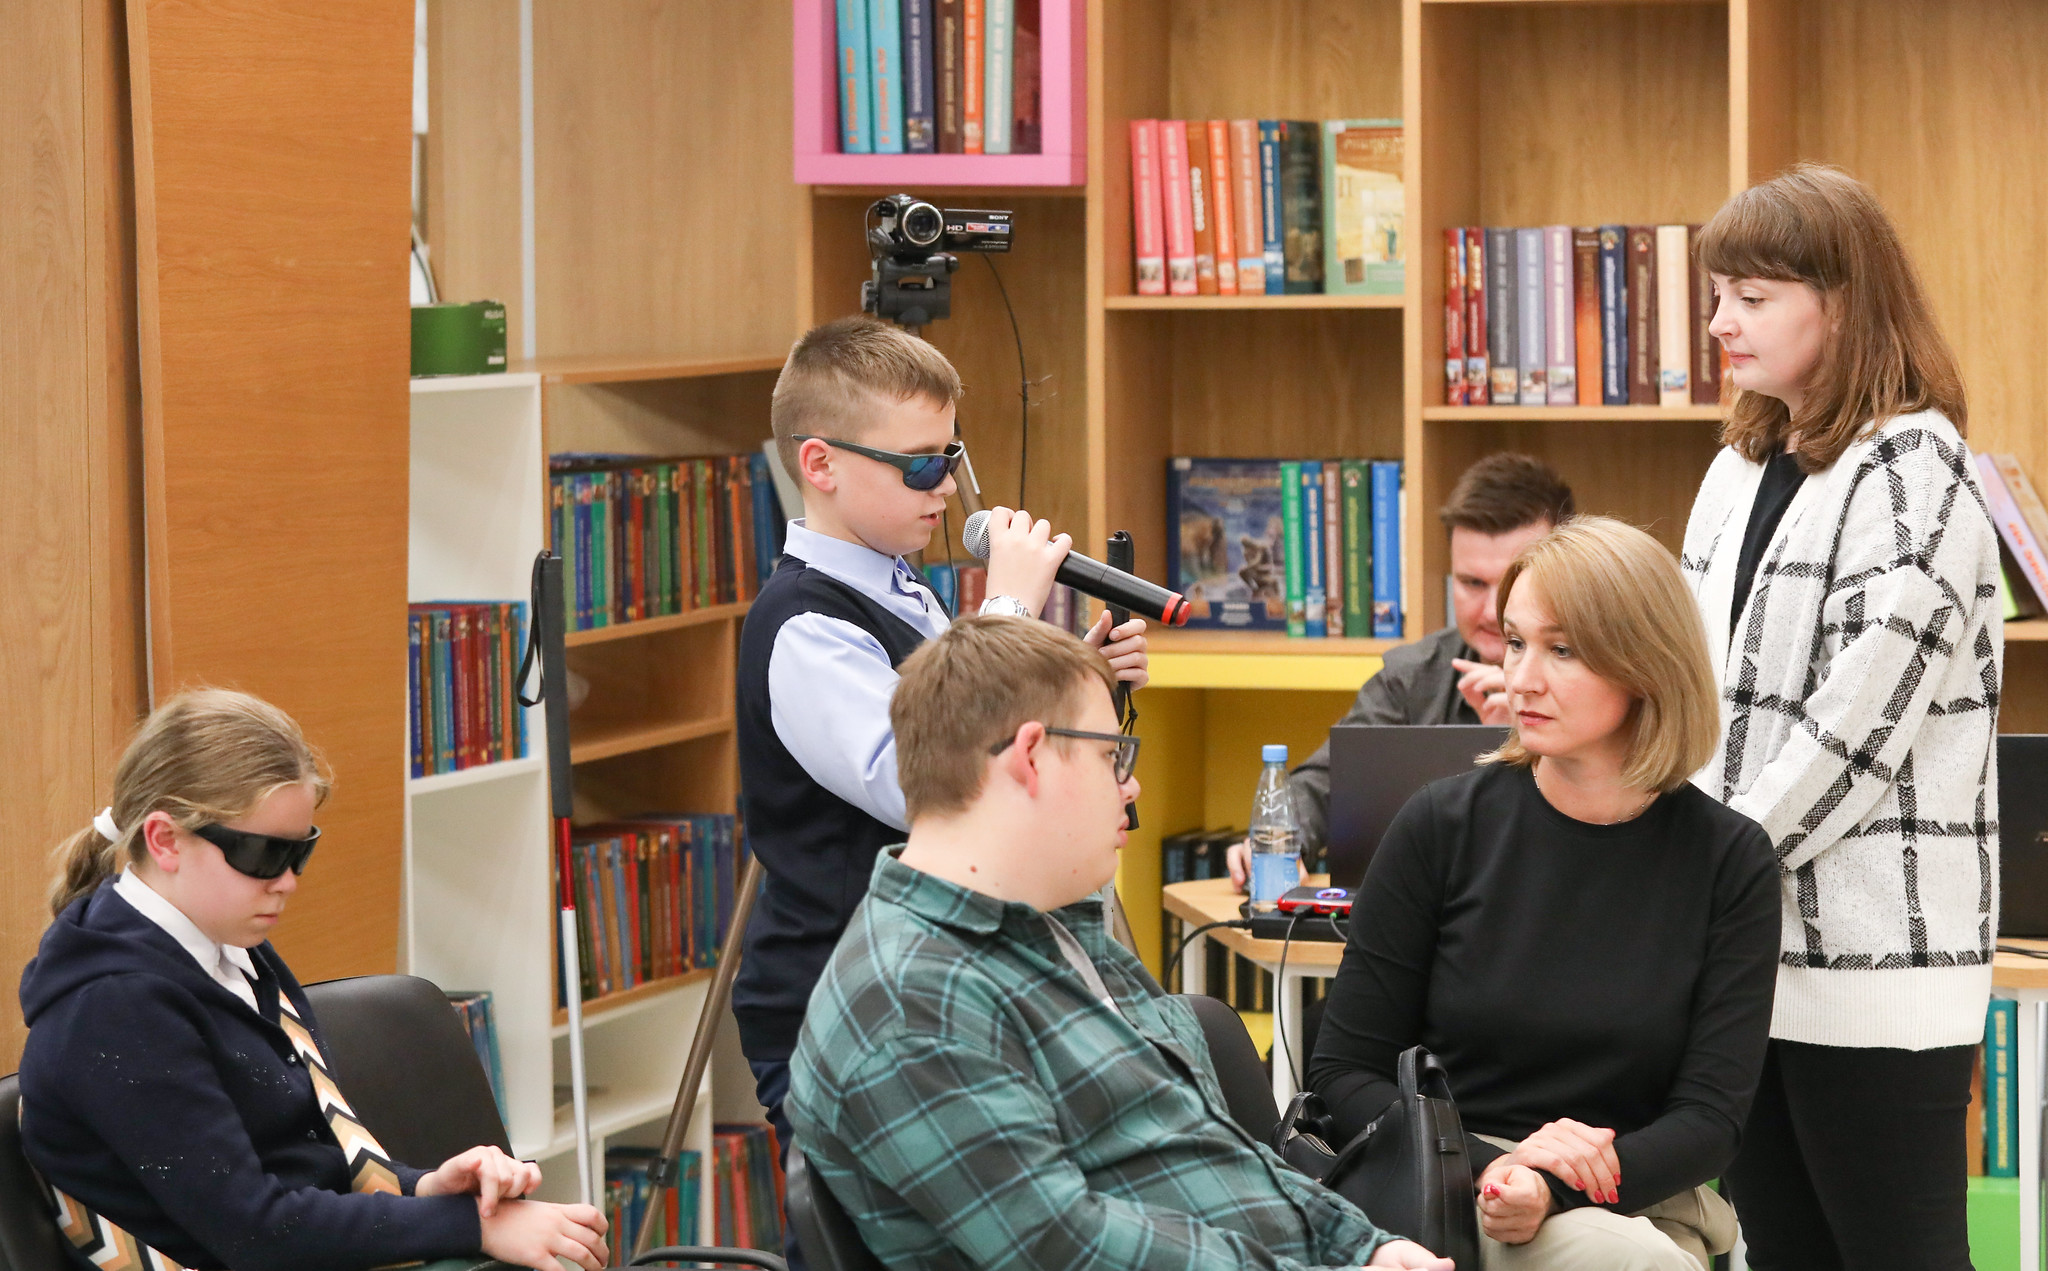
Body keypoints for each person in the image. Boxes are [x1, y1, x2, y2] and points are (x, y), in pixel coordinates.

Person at [786, 616, 1453, 1271]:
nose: (1131, 787)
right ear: (1030, 756)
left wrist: (1362, 1245)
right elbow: (1065, 1247)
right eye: (1112, 756)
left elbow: (1213, 1151)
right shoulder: (910, 1000)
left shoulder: (1047, 930)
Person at [733, 314, 1149, 1245]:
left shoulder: (900, 587)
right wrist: (1006, 614)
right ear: (820, 463)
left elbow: (990, 753)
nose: (948, 487)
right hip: (844, 992)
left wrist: (1076, 682)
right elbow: (930, 785)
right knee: (885, 1241)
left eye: (952, 456)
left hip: (934, 978)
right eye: (920, 465)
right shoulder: (802, 625)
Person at [1308, 517, 1781, 1271]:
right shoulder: (1440, 825)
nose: (1522, 678)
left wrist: (1553, 1184)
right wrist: (1495, 1169)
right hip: (1444, 1189)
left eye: (1562, 650)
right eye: (1515, 642)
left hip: (1631, 1198)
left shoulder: (1730, 859)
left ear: (1646, 664)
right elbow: (1340, 1074)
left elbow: (1709, 1120)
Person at [1684, 164, 2001, 1270]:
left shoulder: (1918, 469)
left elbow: (1855, 729)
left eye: (1751, 296)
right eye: (1716, 294)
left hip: (1875, 962)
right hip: (1746, 955)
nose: (1719, 322)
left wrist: (1700, 861)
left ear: (1844, 301)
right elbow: (1696, 684)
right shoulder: (1738, 465)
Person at [18, 688, 608, 1271]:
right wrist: (470, 1225)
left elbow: (303, 1166)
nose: (287, 882)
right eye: (262, 855)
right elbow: (256, 1232)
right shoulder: (115, 1007)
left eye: (298, 853)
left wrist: (429, 1189)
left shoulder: (230, 948)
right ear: (165, 839)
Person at [1229, 452, 1574, 886]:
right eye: (1471, 583)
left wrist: (1522, 738)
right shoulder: (1411, 676)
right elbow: (1326, 782)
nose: (1491, 611)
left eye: (1510, 583)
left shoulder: (1600, 678)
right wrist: (1280, 841)